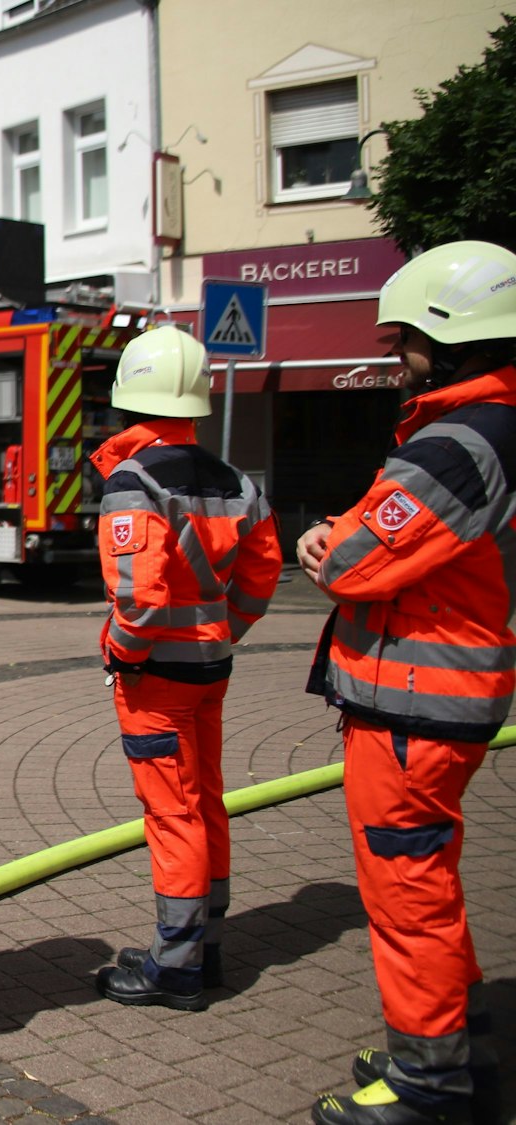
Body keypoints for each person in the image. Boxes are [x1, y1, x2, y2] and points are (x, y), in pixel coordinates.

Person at [300, 241, 515, 1125]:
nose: (397, 360)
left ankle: (428, 1085)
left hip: (416, 704)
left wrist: (326, 546)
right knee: (429, 875)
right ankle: (452, 1042)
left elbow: (355, 557)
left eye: (405, 344)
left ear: (451, 335)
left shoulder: (457, 443)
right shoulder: (481, 430)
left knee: (407, 891)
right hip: (446, 697)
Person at [86, 325, 281, 1013]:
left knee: (172, 813)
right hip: (210, 668)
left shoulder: (132, 483)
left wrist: (123, 652)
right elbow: (263, 573)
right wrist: (228, 628)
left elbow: (137, 601)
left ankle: (174, 968)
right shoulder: (237, 482)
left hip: (156, 680)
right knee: (205, 802)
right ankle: (207, 944)